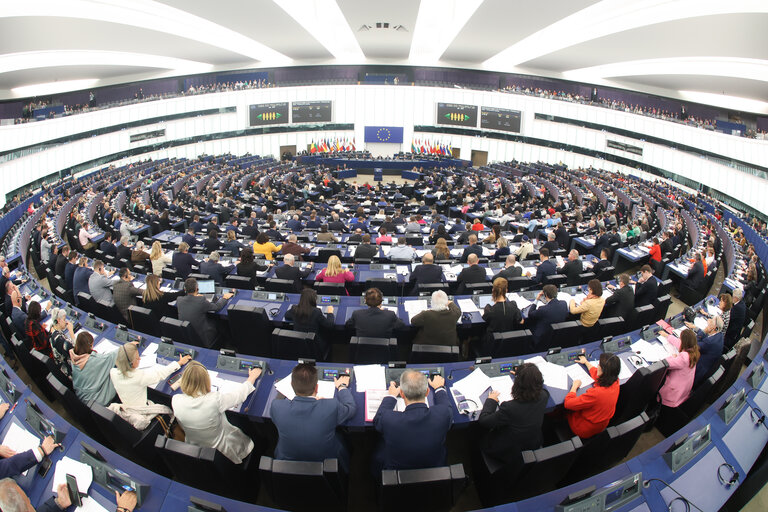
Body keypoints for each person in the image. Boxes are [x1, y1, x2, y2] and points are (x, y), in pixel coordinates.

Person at [172, 361, 261, 464]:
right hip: (221, 454)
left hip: (194, 450)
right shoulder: (214, 400)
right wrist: (252, 377)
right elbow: (239, 395)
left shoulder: (175, 400)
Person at [270, 363, 356, 470]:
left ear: (291, 385)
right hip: (326, 461)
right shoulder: (331, 406)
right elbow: (351, 408)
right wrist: (341, 386)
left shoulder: (276, 407)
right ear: (317, 387)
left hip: (286, 462)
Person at [373, 370, 452, 471]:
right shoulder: (443, 414)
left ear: (401, 393)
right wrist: (439, 388)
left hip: (397, 471)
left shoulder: (389, 420)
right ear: (427, 392)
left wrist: (391, 396)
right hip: (434, 467)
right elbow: (447, 407)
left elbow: (378, 421)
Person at [479, 363, 549, 463]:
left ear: (517, 384)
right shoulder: (544, 396)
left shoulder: (509, 408)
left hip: (509, 451)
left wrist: (491, 401)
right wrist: (524, 375)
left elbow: (484, 421)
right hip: (532, 443)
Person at [111, 342, 191, 407]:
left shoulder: (113, 372)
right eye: (137, 358)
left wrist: (127, 349)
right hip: (142, 411)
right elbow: (161, 373)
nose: (139, 358)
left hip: (127, 406)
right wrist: (180, 363)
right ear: (131, 363)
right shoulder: (138, 376)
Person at [563, 353, 621, 438]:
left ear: (603, 370)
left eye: (599, 365)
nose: (597, 366)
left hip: (583, 428)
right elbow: (597, 375)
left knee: (559, 410)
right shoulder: (615, 381)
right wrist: (586, 362)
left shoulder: (597, 394)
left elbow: (568, 404)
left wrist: (574, 387)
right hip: (600, 425)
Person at [176, 278, 234, 348]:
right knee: (221, 323)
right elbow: (217, 307)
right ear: (197, 289)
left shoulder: (179, 300)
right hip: (204, 336)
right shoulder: (201, 300)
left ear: (185, 290)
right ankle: (230, 344)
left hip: (189, 335)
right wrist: (224, 298)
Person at [70, 331, 119, 406]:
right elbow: (111, 357)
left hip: (82, 397)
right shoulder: (93, 360)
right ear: (90, 345)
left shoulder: (74, 356)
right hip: (96, 401)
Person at [284, 289, 335, 356]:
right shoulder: (317, 312)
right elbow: (330, 325)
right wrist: (330, 313)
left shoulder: (294, 309)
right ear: (313, 300)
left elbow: (287, 315)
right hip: (315, 345)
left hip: (299, 344)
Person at [658, 329, 699, 407]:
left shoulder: (684, 358)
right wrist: (667, 336)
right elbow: (679, 343)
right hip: (683, 391)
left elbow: (666, 363)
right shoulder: (693, 351)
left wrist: (672, 357)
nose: (679, 340)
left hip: (672, 393)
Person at [525, 284, 569, 349]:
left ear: (545, 295)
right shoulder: (564, 303)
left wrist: (536, 300)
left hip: (541, 339)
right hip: (556, 337)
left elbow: (530, 314)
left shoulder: (543, 309)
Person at [687, 315, 724, 386]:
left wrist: (703, 331)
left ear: (713, 327)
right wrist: (695, 328)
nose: (708, 321)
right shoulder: (719, 335)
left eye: (710, 321)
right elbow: (707, 337)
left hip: (696, 371)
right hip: (706, 367)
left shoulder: (710, 342)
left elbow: (694, 344)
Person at [48, 307, 75, 376]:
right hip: (71, 372)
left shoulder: (52, 329)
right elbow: (76, 352)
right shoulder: (60, 340)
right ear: (58, 320)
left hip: (62, 367)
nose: (66, 322)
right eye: (64, 319)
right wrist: (71, 332)